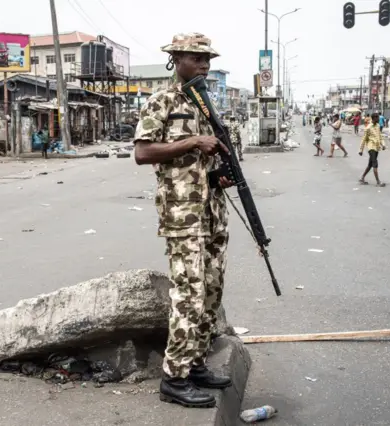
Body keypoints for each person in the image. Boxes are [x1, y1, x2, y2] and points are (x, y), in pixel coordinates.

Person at [133, 32, 233, 409]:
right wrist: (192, 142)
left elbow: (209, 160)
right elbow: (143, 153)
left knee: (211, 290)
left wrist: (219, 173)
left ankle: (195, 364)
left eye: (207, 59)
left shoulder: (207, 104)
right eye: (196, 58)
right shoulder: (161, 101)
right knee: (188, 293)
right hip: (182, 214)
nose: (204, 65)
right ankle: (174, 378)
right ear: (175, 59)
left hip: (212, 212)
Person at [359, 113, 386, 187]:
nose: (378, 119)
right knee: (375, 164)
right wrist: (361, 150)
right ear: (373, 118)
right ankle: (378, 182)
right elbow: (364, 139)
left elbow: (380, 137)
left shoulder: (378, 126)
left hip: (377, 147)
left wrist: (383, 144)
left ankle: (362, 177)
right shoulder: (368, 128)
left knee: (370, 164)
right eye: (377, 118)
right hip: (371, 148)